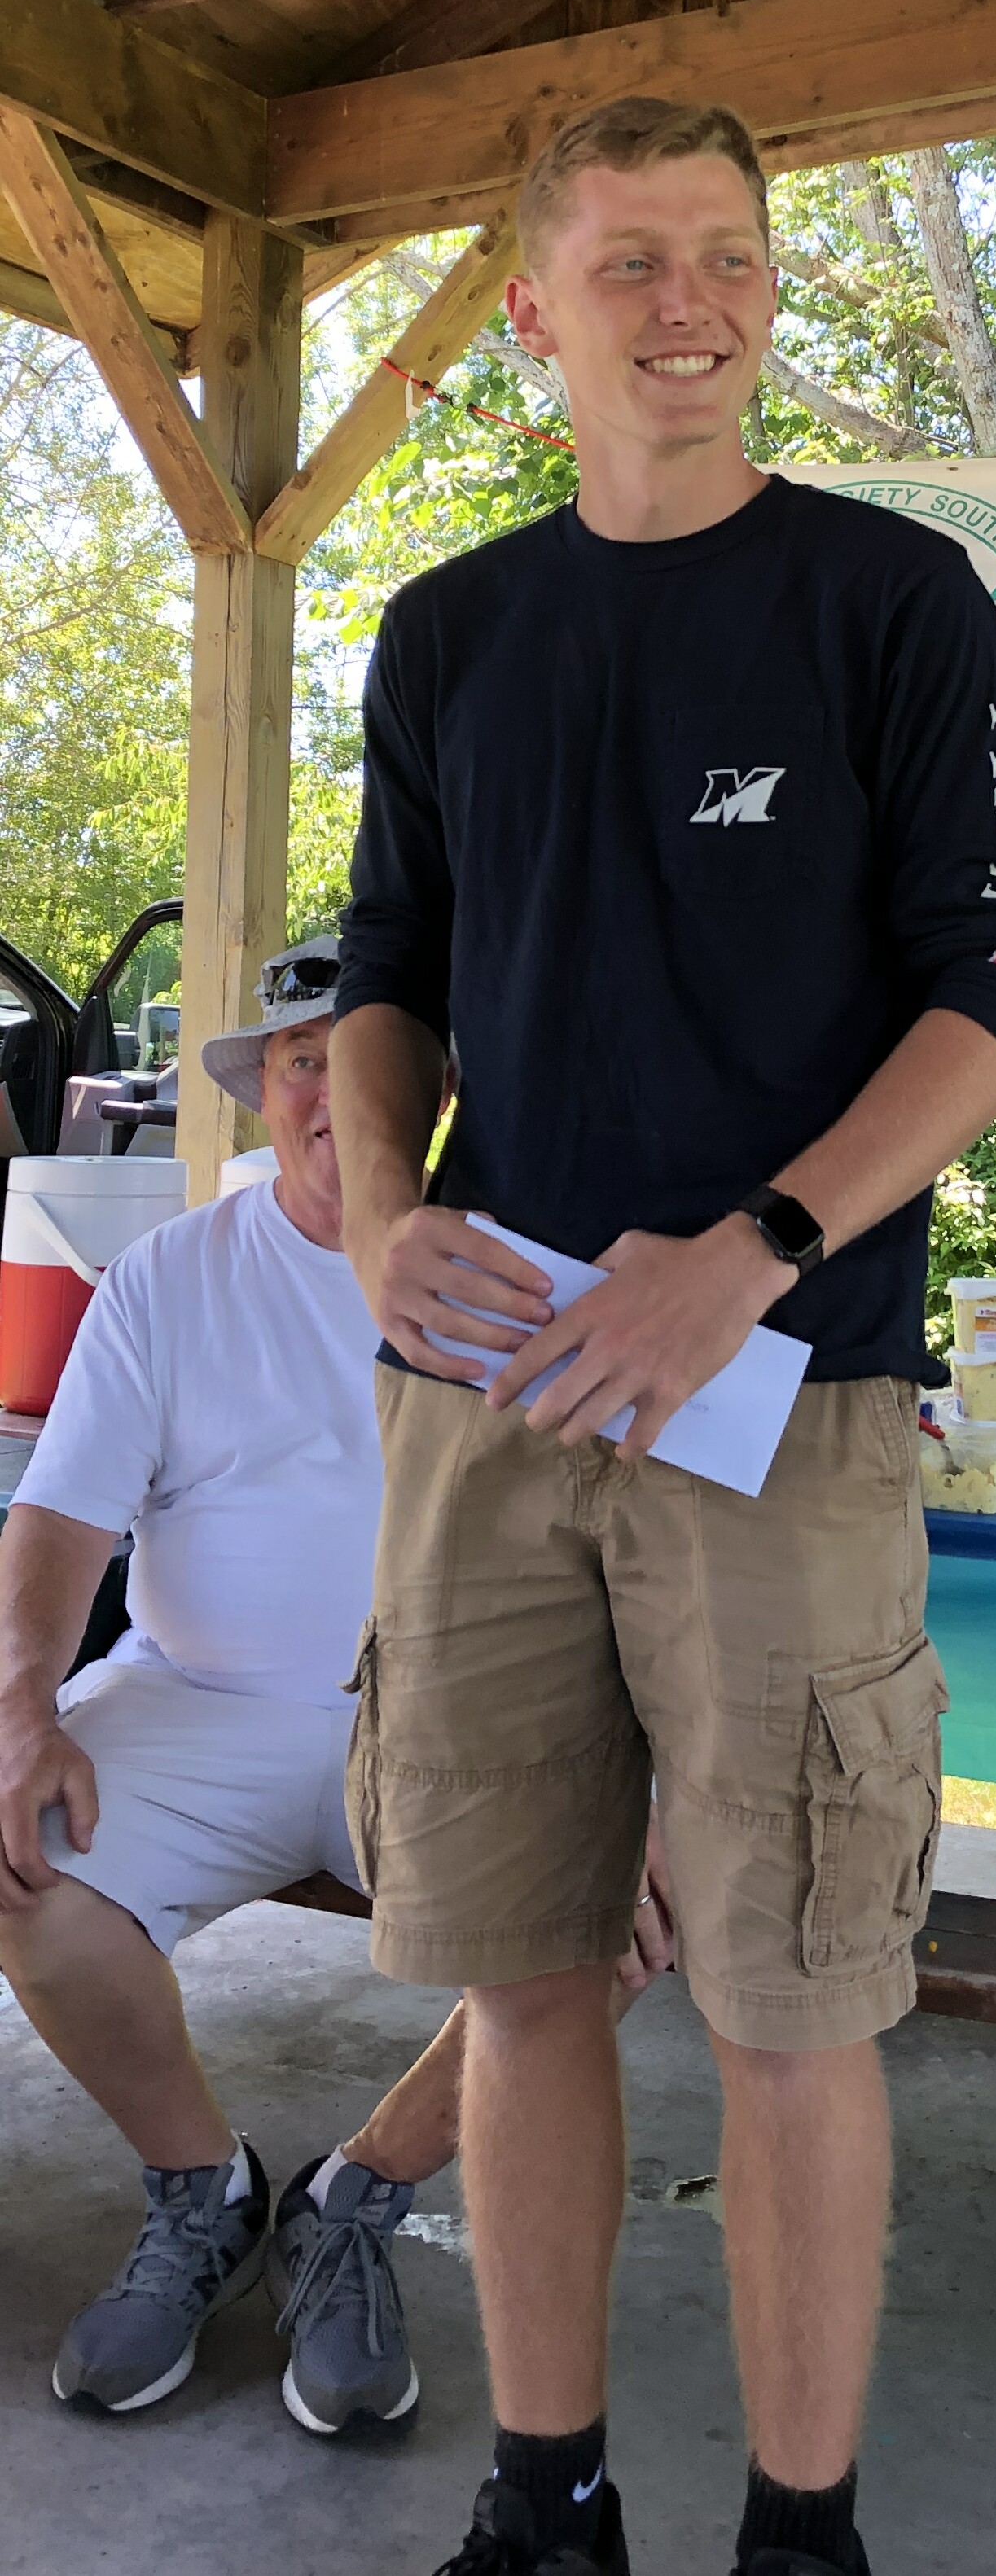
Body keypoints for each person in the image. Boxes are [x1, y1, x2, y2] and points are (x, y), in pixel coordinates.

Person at [329, 97, 996, 2576]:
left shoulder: (892, 600)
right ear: (532, 314)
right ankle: (546, 2503)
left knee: (792, 1996)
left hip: (793, 1394)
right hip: (490, 1400)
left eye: (731, 256)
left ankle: (800, 2532)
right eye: (633, 261)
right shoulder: (448, 633)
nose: (694, 305)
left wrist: (750, 1240)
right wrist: (373, 1221)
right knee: (519, 1975)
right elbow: (387, 976)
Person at [0, 940, 467, 2436]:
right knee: (16, 1850)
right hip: (197, 1700)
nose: (332, 1090)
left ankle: (358, 2195)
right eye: (300, 1058)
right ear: (265, 1091)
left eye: (366, 1055)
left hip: (449, 1723)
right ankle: (203, 2189)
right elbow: (60, 1515)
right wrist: (20, 1709)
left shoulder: (511, 1259)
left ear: (434, 1087)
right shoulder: (172, 1274)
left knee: (619, 1910)